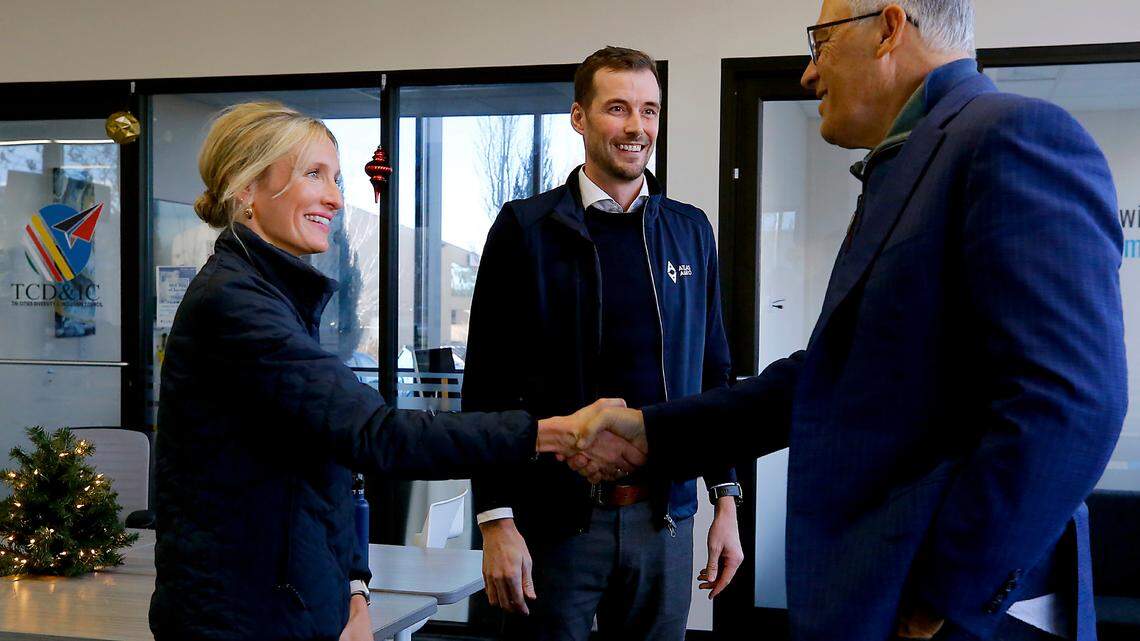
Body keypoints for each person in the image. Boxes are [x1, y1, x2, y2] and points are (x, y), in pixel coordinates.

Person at [576, 3, 1128, 641]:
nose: (809, 75)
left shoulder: (1011, 136)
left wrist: (937, 596)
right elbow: (830, 374)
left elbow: (1073, 403)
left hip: (954, 616)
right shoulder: (910, 164)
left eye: (821, 43)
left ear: (890, 27)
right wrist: (652, 431)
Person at [149, 101, 634, 641]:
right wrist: (553, 432)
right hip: (240, 616)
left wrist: (353, 587)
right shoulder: (234, 304)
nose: (335, 198)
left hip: (292, 600)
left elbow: (328, 465)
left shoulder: (273, 294)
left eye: (336, 178)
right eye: (314, 175)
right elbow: (376, 434)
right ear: (247, 190)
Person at [463, 46, 743, 641]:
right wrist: (494, 520)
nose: (637, 127)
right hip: (554, 524)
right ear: (579, 117)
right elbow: (485, 385)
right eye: (618, 108)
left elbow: (715, 376)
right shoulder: (526, 230)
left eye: (649, 110)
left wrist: (726, 500)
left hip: (664, 519)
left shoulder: (690, 231)